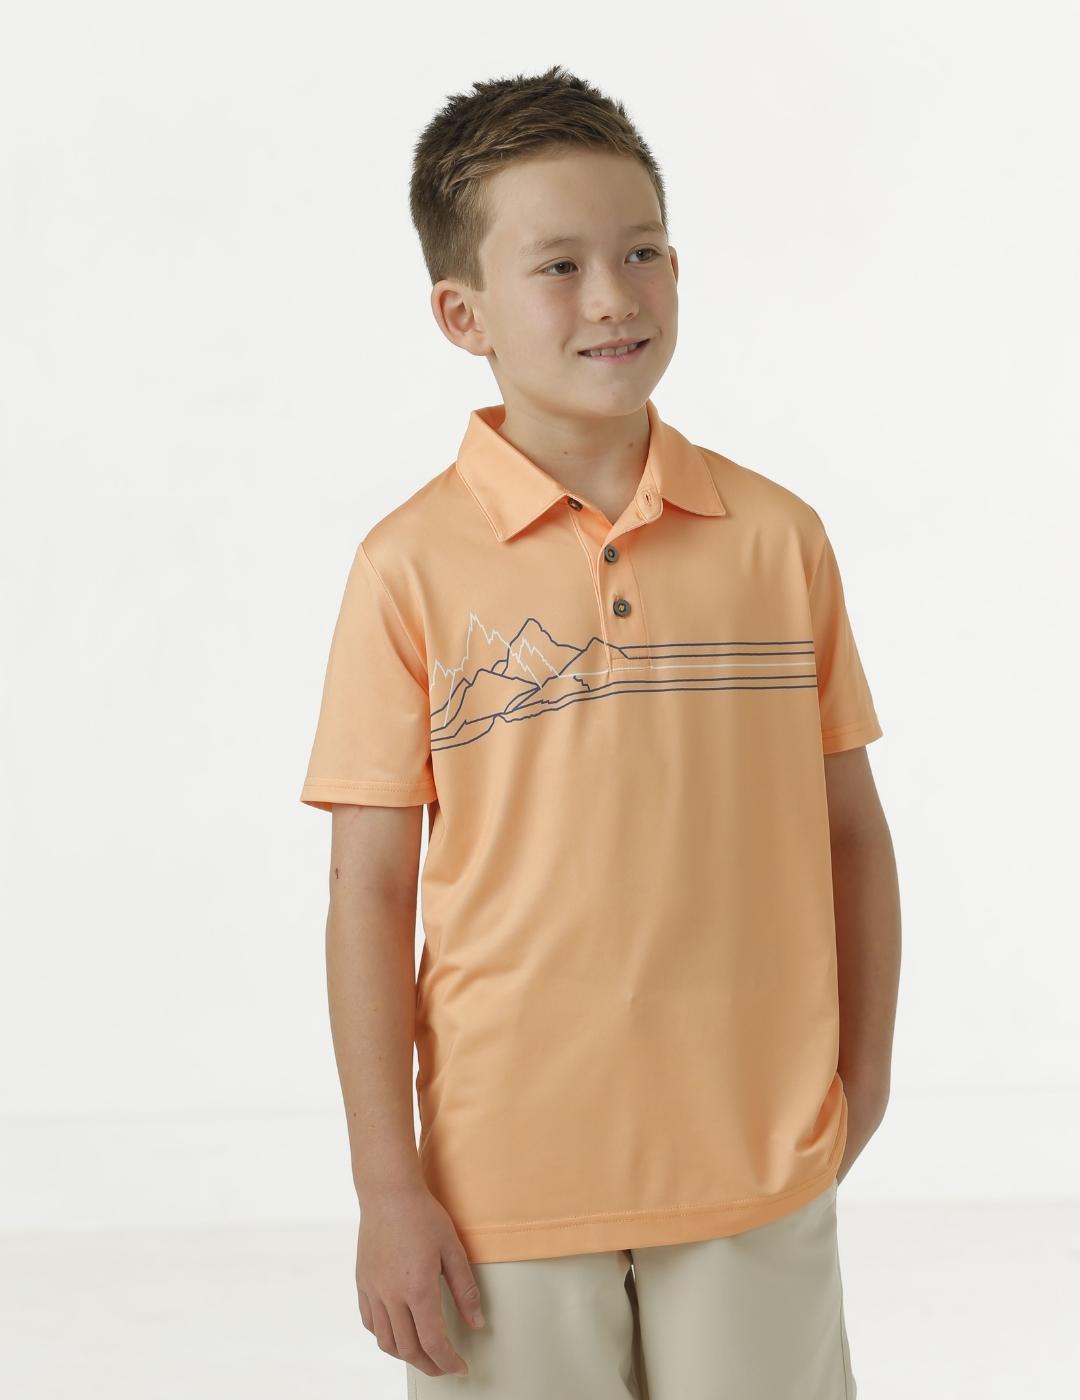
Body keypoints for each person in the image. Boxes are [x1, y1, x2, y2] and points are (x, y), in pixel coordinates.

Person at [300, 63, 900, 1399]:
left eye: (641, 252)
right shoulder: (406, 567)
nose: (615, 296)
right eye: (558, 266)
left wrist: (863, 1078)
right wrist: (386, 1184)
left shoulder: (779, 539)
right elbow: (367, 892)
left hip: (757, 1163)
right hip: (498, 1189)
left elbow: (851, 831)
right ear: (462, 313)